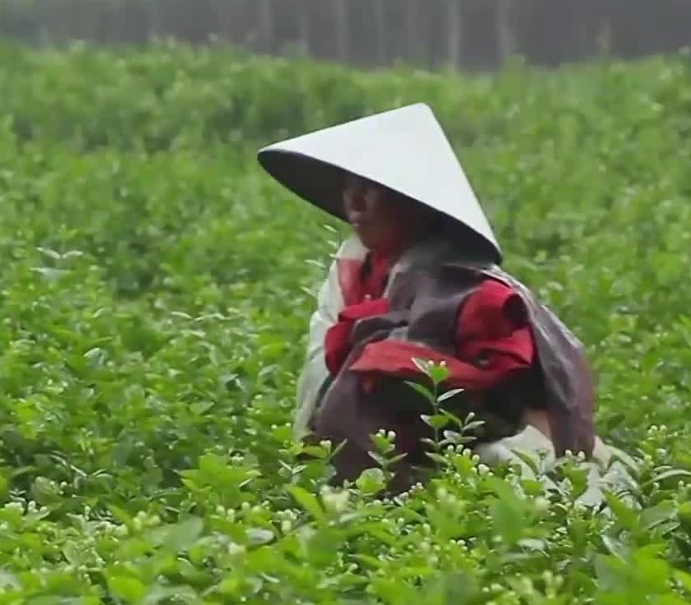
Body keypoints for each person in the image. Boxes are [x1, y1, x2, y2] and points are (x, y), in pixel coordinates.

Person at [257, 103, 638, 504]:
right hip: (382, 468)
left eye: (374, 189)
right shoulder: (354, 269)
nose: (356, 203)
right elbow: (321, 380)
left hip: (476, 467)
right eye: (349, 186)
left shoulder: (474, 291)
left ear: (414, 201)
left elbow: (533, 410)